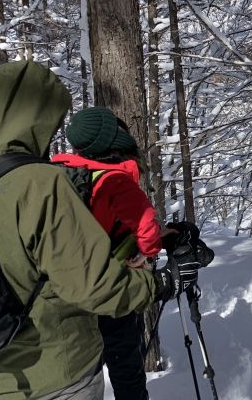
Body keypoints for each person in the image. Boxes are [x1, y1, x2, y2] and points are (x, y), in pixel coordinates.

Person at [0, 61, 196, 399]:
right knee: (125, 358)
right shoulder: (40, 182)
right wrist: (161, 283)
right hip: (55, 370)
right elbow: (94, 286)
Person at [51, 106, 162, 400]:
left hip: (64, 287)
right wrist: (145, 254)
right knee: (125, 359)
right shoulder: (114, 179)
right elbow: (148, 230)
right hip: (109, 282)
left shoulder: (55, 172)